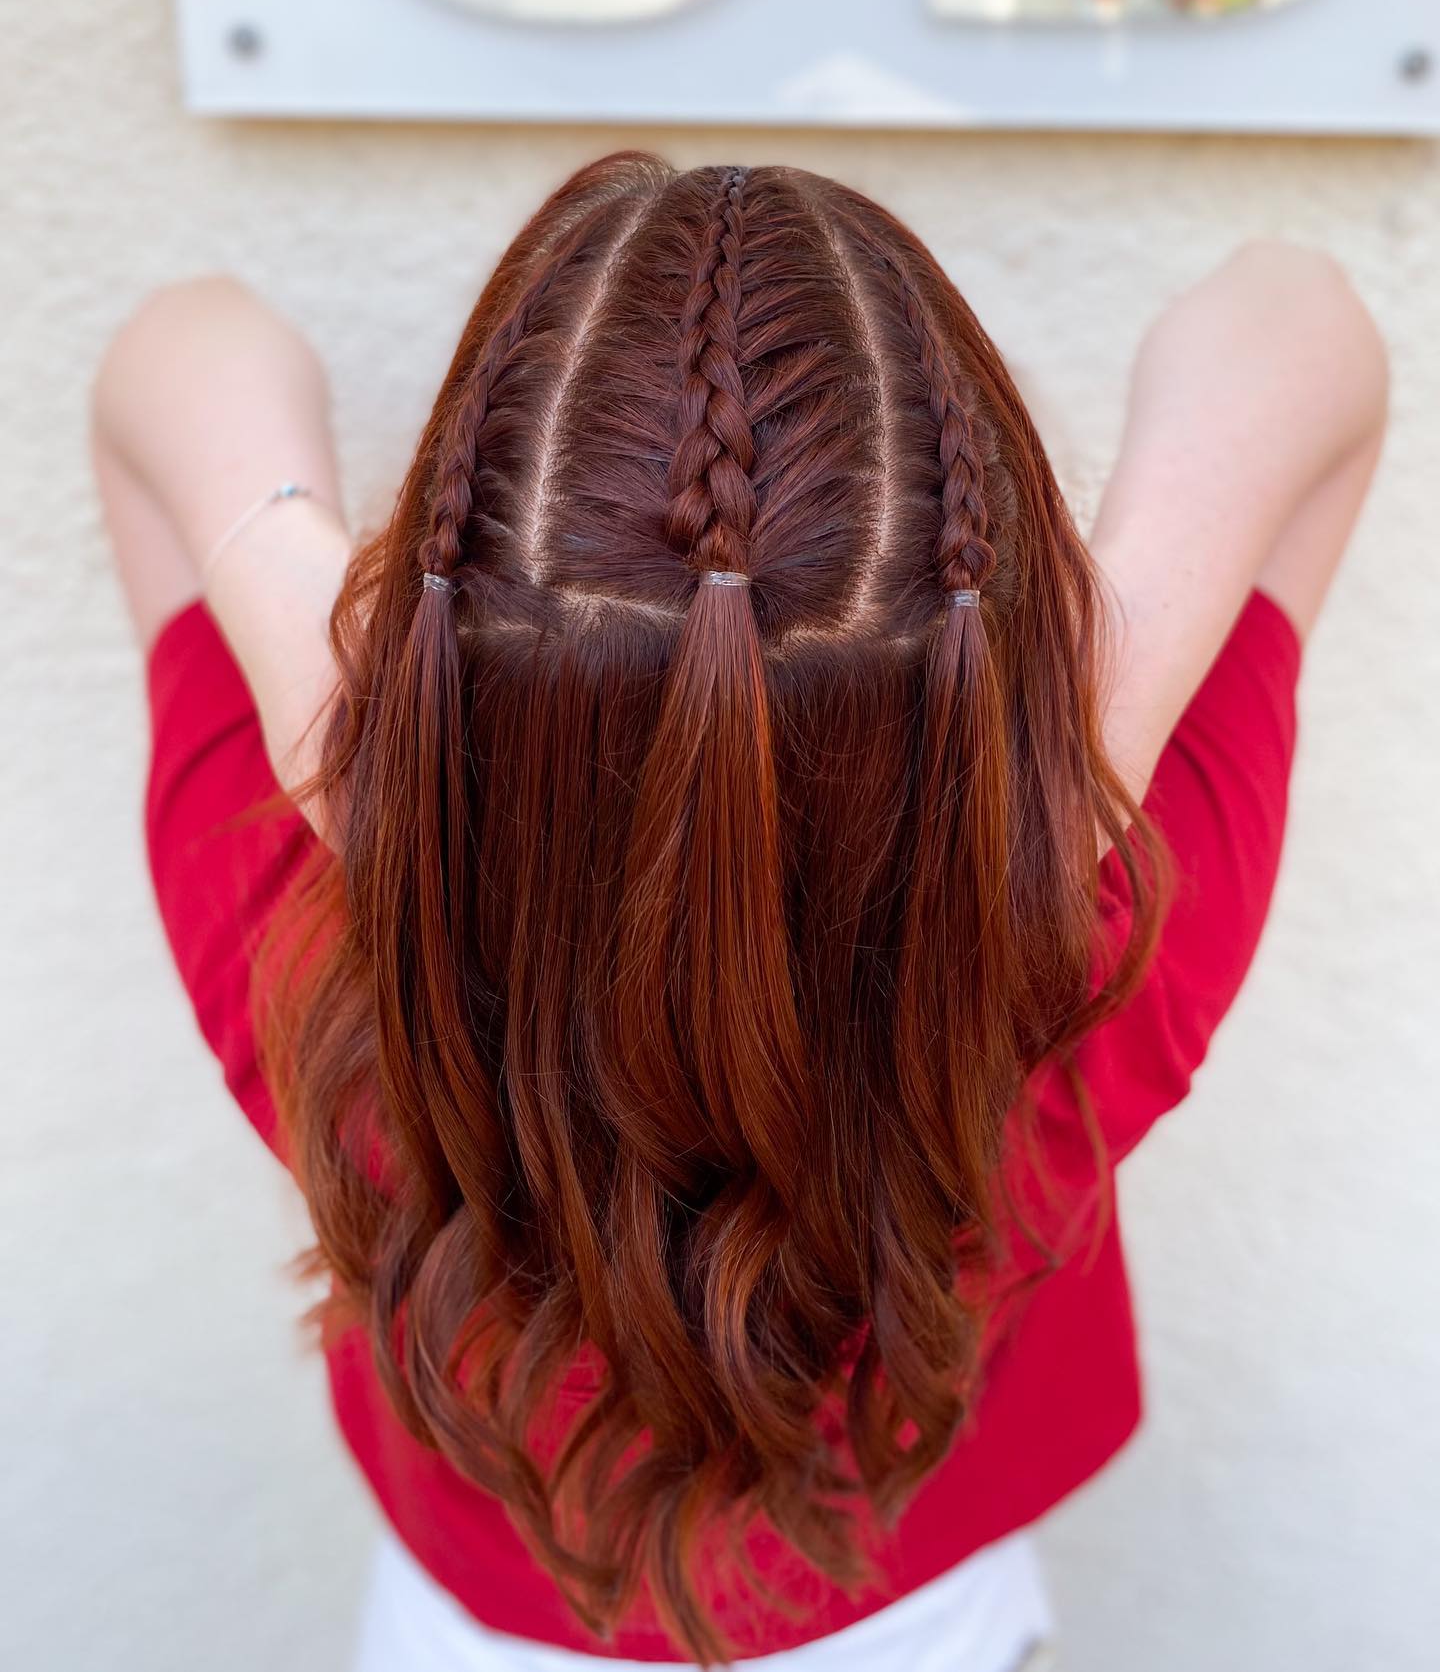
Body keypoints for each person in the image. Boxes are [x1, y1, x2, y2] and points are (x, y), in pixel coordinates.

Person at [92, 155, 1387, 1672]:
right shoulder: (1094, 943)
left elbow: (183, 347)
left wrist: (337, 704)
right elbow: (1299, 319)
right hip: (929, 1625)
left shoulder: (311, 953)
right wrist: (1091, 729)